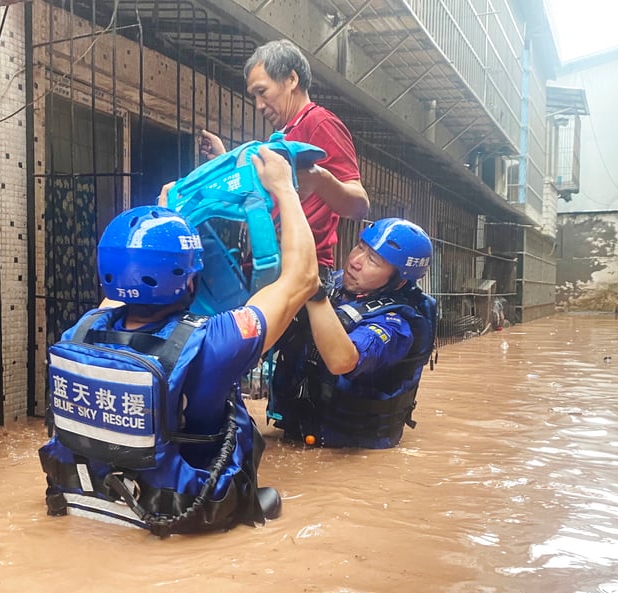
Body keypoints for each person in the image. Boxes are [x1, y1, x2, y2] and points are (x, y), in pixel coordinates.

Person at [38, 146, 318, 536]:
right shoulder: (215, 342)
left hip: (87, 502)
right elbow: (302, 279)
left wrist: (165, 214)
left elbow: (127, 287)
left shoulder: (81, 330)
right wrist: (284, 189)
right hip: (175, 511)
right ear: (189, 279)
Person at [199, 38, 370, 271]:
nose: (258, 105)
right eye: (254, 97)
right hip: (270, 264)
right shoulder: (285, 136)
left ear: (291, 79)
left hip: (300, 269)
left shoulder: (320, 123)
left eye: (262, 91)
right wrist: (223, 157)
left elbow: (360, 206)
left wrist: (321, 179)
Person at [269, 217, 438, 449]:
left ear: (398, 282)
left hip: (351, 447)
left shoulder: (398, 325)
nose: (356, 261)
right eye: (360, 247)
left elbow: (343, 361)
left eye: (373, 260)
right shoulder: (337, 285)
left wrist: (314, 295)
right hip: (298, 433)